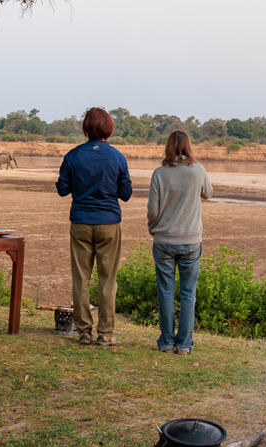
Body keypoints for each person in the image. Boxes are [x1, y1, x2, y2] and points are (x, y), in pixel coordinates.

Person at [56, 107, 133, 346]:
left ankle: (83, 331)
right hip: (109, 222)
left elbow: (62, 189)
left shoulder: (73, 156)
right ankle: (106, 333)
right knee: (107, 279)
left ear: (85, 129)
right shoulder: (117, 157)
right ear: (108, 129)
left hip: (80, 221)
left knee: (81, 278)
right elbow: (126, 193)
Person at [147, 130, 213, 354]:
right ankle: (184, 344)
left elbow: (153, 210)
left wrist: (153, 229)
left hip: (164, 239)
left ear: (168, 147)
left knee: (165, 291)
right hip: (191, 240)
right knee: (188, 292)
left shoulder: (159, 173)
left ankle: (166, 341)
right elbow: (208, 193)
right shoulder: (198, 170)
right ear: (188, 146)